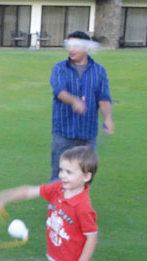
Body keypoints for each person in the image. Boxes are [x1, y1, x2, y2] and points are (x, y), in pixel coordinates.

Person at [49, 30, 114, 182]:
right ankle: (56, 206)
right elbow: (59, 91)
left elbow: (103, 98)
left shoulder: (99, 71)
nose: (71, 49)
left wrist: (108, 119)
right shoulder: (59, 69)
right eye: (69, 45)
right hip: (64, 132)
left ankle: (79, 205)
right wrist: (74, 101)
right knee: (60, 174)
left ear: (87, 48)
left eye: (76, 46)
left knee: (85, 176)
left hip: (88, 133)